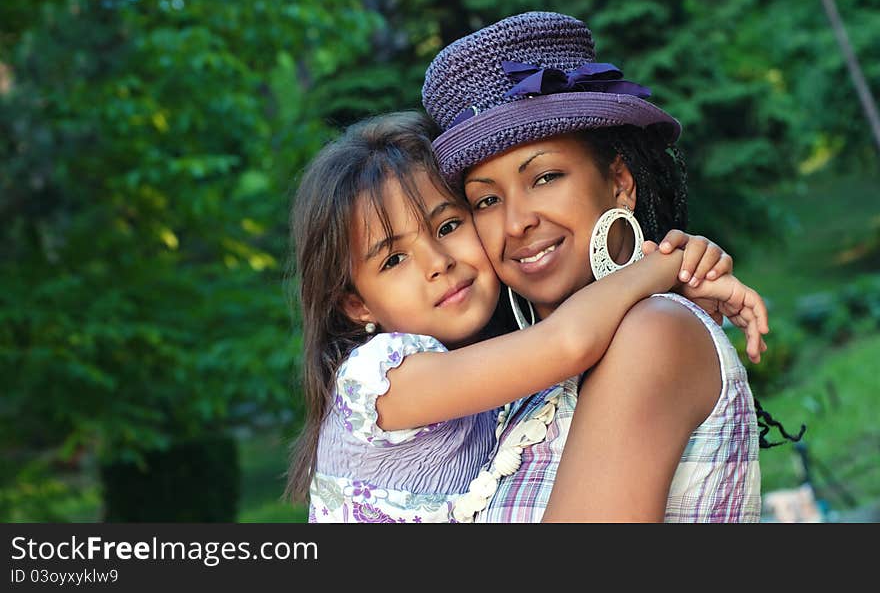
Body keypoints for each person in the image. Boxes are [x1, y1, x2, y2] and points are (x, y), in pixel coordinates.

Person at [283, 110, 768, 523]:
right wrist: (665, 265)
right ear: (356, 304)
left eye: (449, 225)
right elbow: (569, 340)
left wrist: (668, 281)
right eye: (393, 259)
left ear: (620, 182)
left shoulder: (635, 339)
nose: (438, 262)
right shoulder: (378, 377)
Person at [421, 10, 793, 522]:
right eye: (485, 201)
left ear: (619, 182)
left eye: (545, 177)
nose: (515, 223)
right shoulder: (521, 388)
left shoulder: (652, 332)